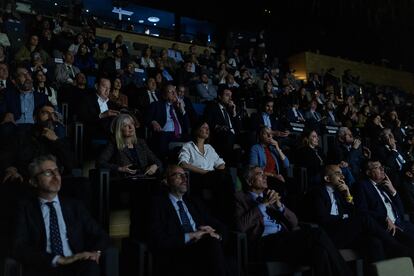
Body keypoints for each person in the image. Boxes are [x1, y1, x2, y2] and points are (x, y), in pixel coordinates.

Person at [234, 166, 352, 276]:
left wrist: (280, 206)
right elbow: (241, 226)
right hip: (265, 243)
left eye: (264, 173)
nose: (265, 176)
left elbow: (294, 222)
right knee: (317, 233)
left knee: (320, 252)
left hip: (285, 238)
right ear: (249, 181)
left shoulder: (270, 196)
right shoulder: (240, 198)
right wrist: (263, 205)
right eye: (259, 174)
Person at [12, 155, 110, 276]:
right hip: (46, 266)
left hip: (76, 264)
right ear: (33, 182)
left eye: (57, 171)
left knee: (91, 267)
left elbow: (100, 234)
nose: (56, 176)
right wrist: (58, 259)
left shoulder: (75, 206)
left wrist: (96, 252)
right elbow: (19, 247)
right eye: (48, 173)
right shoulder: (25, 209)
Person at [305, 165, 414, 262]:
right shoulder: (317, 193)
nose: (342, 177)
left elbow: (353, 211)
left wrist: (347, 194)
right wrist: (344, 217)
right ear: (327, 178)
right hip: (330, 234)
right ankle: (396, 247)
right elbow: (323, 219)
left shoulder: (339, 193)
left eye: (342, 174)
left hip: (346, 231)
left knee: (374, 242)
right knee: (364, 217)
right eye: (338, 174)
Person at [148, 164, 228, 276]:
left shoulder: (194, 203)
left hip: (202, 248)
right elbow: (158, 239)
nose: (184, 178)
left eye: (185, 175)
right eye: (178, 175)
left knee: (212, 242)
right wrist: (192, 235)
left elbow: (221, 226)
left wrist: (216, 235)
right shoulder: (157, 205)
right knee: (211, 245)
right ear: (166, 181)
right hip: (177, 253)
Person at [354, 160, 414, 243]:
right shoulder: (362, 185)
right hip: (388, 227)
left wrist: (393, 191)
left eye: (381, 166)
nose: (382, 169)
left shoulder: (385, 186)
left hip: (402, 224)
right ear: (368, 172)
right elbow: (362, 211)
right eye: (377, 167)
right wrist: (384, 218)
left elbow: (401, 210)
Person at [97, 113, 161, 177]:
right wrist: (120, 169)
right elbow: (100, 163)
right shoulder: (113, 143)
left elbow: (158, 162)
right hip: (124, 182)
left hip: (143, 180)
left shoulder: (141, 142)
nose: (130, 127)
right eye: (125, 125)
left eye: (132, 124)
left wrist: (155, 166)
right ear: (119, 129)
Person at [249, 126, 290, 197]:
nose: (269, 135)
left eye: (270, 133)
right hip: (264, 177)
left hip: (276, 177)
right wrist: (274, 175)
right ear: (260, 136)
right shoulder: (255, 148)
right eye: (266, 133)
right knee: (281, 187)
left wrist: (277, 147)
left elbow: (286, 164)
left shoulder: (273, 149)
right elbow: (254, 169)